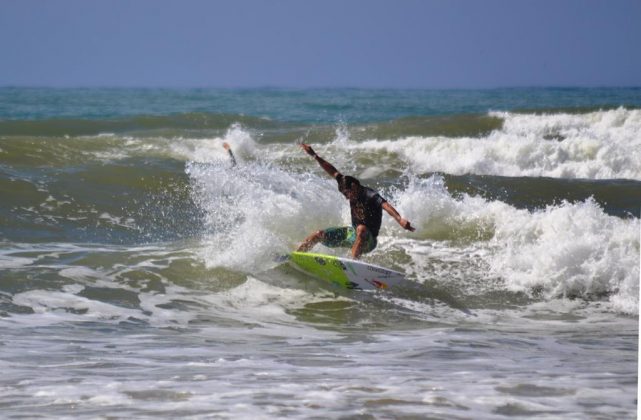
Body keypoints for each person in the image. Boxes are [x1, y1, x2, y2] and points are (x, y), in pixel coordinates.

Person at [297, 143, 415, 259]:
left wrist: (400, 219)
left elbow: (386, 205)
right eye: (344, 195)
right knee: (318, 234)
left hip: (368, 240)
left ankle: (352, 265)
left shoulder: (369, 194)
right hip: (351, 234)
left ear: (354, 186)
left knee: (361, 229)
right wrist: (314, 155)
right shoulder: (344, 182)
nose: (347, 198)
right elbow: (332, 171)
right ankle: (297, 255)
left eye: (347, 194)